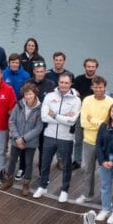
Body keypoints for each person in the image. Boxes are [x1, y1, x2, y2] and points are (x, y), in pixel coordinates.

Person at [34, 73, 81, 203]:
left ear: (71, 84)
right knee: (45, 163)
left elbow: (72, 121)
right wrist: (63, 116)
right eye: (61, 82)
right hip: (49, 135)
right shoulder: (49, 96)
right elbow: (44, 117)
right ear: (58, 83)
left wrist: (54, 115)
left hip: (66, 138)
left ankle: (64, 190)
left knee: (66, 165)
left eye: (66, 83)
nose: (64, 85)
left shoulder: (76, 100)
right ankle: (43, 186)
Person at [75, 76, 113, 204]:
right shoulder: (86, 100)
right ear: (92, 87)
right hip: (89, 141)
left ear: (105, 87)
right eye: (96, 87)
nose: (98, 89)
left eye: (101, 87)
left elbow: (109, 125)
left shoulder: (111, 102)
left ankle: (107, 198)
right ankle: (88, 194)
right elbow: (83, 123)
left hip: (106, 143)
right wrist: (100, 124)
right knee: (88, 171)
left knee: (107, 171)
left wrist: (92, 120)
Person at [1, 83, 43, 196]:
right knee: (12, 161)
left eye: (30, 94)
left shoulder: (40, 108)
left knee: (29, 163)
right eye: (26, 94)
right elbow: (11, 121)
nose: (28, 96)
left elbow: (38, 128)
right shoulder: (19, 105)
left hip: (30, 142)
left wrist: (24, 139)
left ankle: (26, 184)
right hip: (16, 140)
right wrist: (17, 138)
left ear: (35, 94)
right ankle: (9, 180)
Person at [72, 58, 100, 169]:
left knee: (93, 141)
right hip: (81, 114)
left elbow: (99, 97)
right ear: (85, 67)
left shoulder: (98, 81)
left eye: (93, 67)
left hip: (94, 116)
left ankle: (91, 162)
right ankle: (77, 161)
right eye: (88, 66)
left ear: (96, 68)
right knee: (78, 140)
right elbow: (75, 95)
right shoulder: (78, 79)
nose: (90, 69)